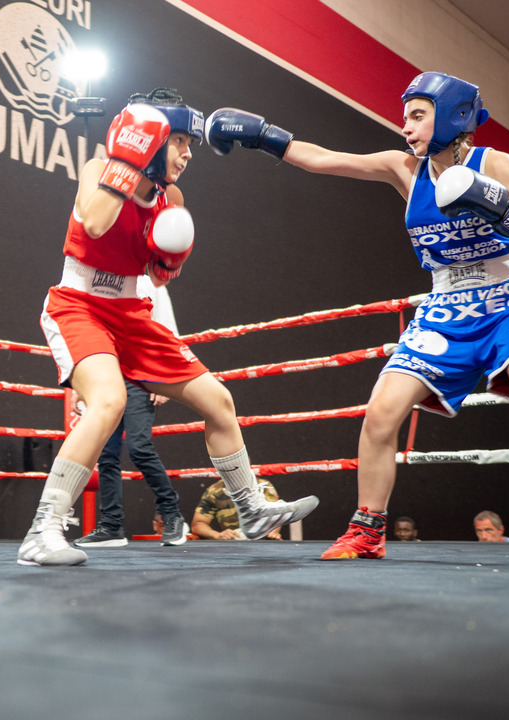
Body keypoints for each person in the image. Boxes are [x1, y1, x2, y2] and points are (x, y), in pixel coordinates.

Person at [204, 72, 509, 560]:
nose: (406, 127)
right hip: (445, 308)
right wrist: (263, 136)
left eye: (418, 116)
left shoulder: (497, 165)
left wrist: (506, 212)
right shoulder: (404, 168)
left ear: (454, 117)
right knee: (382, 412)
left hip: (507, 300)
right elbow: (324, 159)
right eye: (405, 117)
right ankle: (367, 531)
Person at [17, 87, 319, 567]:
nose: (187, 153)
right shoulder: (99, 169)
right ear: (151, 137)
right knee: (109, 401)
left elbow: (156, 277)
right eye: (179, 141)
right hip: (80, 304)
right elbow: (94, 224)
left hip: (133, 312)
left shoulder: (169, 198)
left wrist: (170, 261)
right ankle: (43, 531)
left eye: (190, 144)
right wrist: (126, 162)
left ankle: (251, 510)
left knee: (218, 400)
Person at [75, 275, 191, 548]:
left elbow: (167, 329)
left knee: (139, 447)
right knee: (107, 454)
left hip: (141, 375)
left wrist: (164, 378)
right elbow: (90, 335)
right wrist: (82, 386)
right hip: (106, 376)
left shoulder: (148, 282)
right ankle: (111, 526)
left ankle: (172, 515)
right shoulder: (98, 281)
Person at [191, 479, 283, 540]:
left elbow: (278, 512)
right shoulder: (214, 491)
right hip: (233, 543)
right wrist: (217, 535)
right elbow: (198, 524)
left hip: (263, 539)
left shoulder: (262, 485)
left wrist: (273, 531)